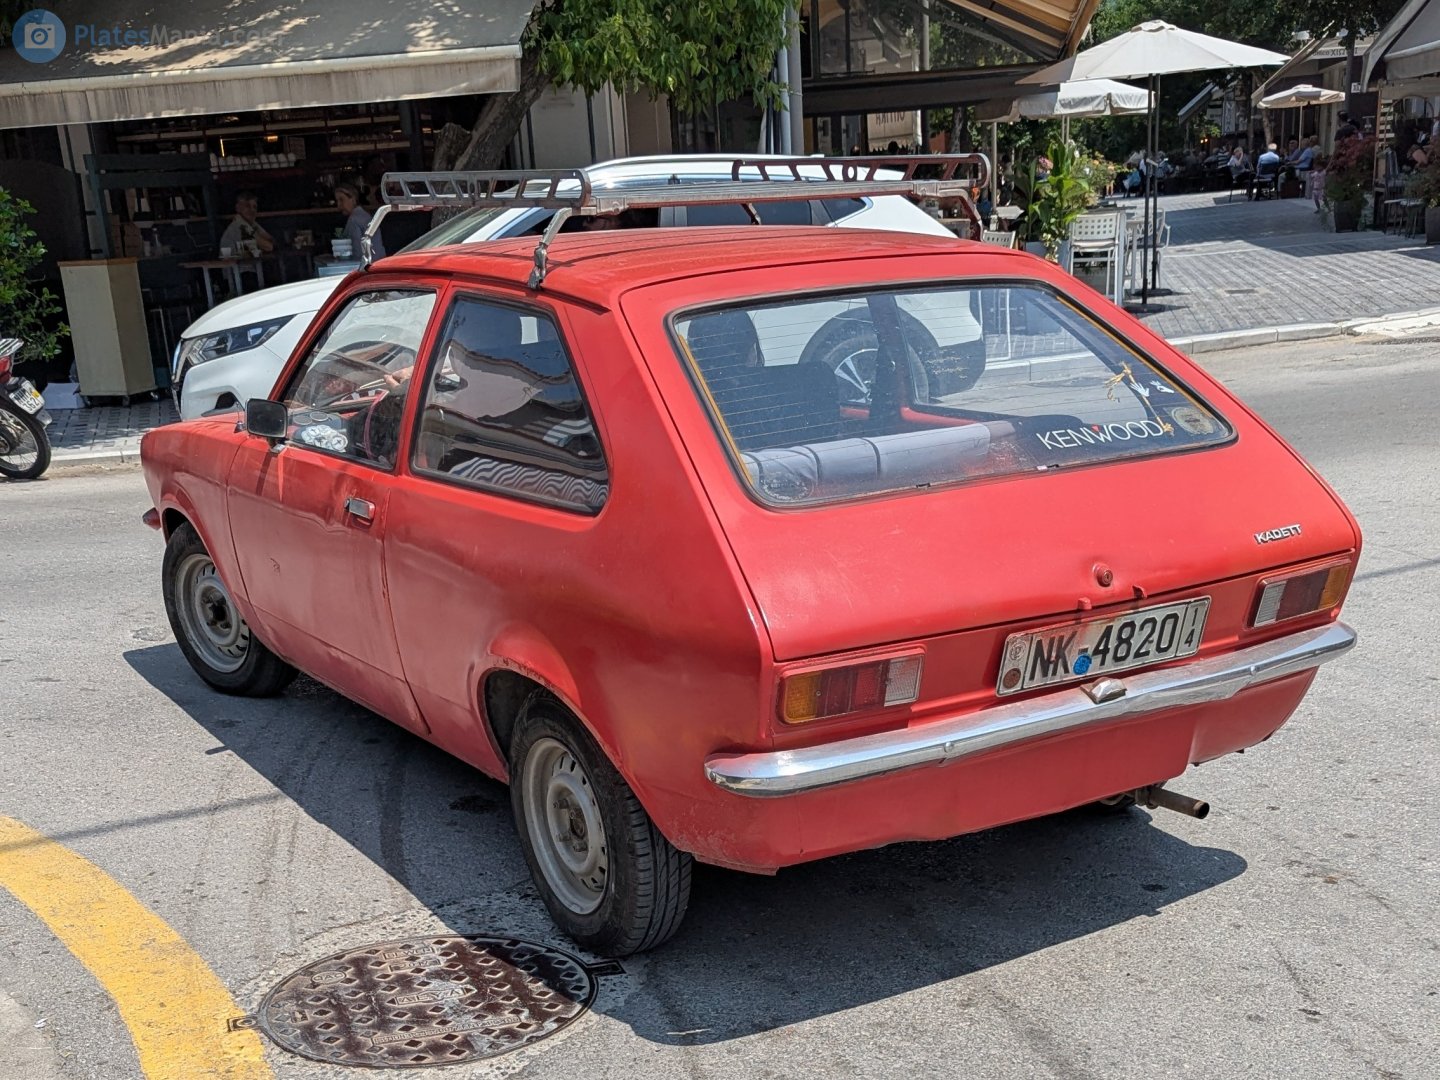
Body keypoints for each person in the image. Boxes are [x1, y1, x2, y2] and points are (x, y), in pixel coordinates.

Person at [335, 181, 384, 259]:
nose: (338, 205)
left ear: (353, 199)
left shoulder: (354, 220)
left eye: (341, 200)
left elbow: (357, 252)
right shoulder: (364, 215)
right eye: (337, 201)